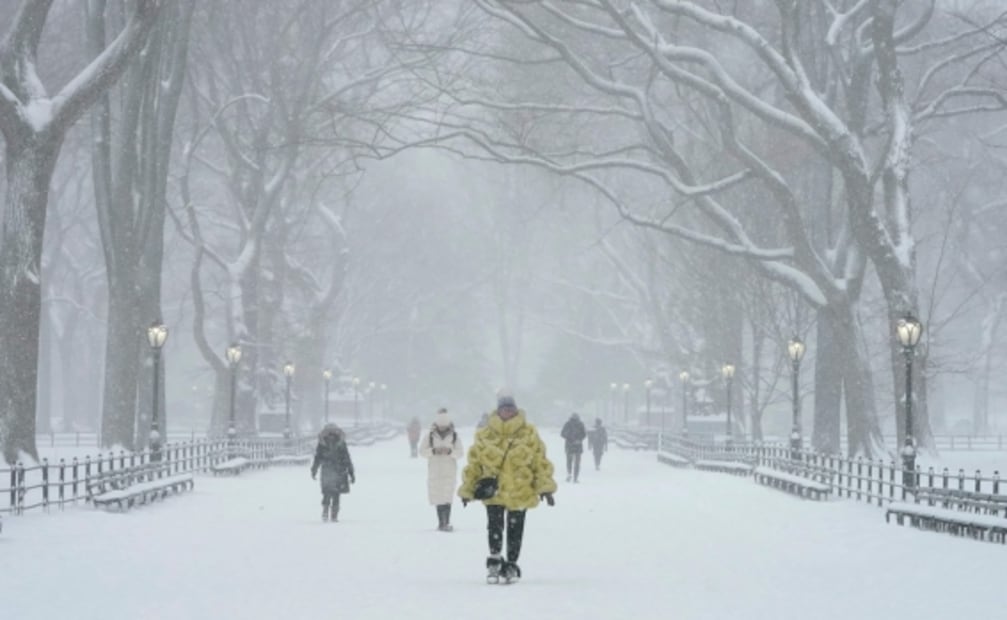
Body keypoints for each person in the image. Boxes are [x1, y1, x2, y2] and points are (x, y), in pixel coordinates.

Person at [458, 391, 557, 583]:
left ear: (516, 410)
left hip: (521, 490)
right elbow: (474, 465)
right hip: (494, 491)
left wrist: (545, 488)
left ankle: (511, 564)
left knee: (515, 530)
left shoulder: (529, 434)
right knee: (494, 527)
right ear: (498, 410)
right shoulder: (485, 435)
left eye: (510, 408)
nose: (507, 412)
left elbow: (539, 462)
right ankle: (494, 561)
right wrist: (467, 489)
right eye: (504, 408)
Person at [419, 408, 464, 531]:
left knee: (447, 495)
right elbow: (422, 451)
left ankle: (446, 522)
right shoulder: (429, 436)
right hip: (435, 469)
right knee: (438, 495)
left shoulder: (455, 436)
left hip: (449, 469)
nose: (443, 428)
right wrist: (433, 451)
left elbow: (460, 453)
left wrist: (450, 451)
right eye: (441, 426)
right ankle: (441, 522)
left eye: (445, 426)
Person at [310, 423, 355, 522]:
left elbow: (318, 458)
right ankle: (334, 515)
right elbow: (346, 458)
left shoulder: (322, 443)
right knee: (336, 494)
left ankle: (325, 511)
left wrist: (314, 469)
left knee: (327, 492)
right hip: (340, 470)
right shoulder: (341, 443)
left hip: (327, 470)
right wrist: (351, 472)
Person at [560, 413, 587, 482]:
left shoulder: (568, 424)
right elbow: (584, 434)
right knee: (577, 462)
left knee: (569, 461)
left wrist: (570, 438)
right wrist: (578, 439)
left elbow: (562, 433)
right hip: (577, 445)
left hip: (569, 445)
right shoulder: (580, 424)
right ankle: (575, 477)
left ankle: (570, 474)